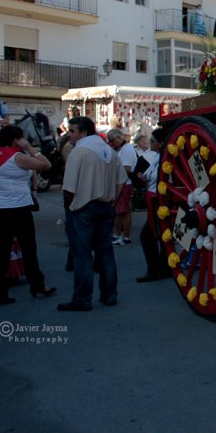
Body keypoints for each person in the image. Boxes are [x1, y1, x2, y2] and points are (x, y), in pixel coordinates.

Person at [58, 116, 126, 311]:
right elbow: (121, 180)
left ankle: (82, 299)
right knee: (105, 252)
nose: (68, 134)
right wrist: (113, 200)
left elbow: (68, 188)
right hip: (105, 206)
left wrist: (70, 209)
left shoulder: (79, 152)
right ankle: (109, 295)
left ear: (83, 133)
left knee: (83, 255)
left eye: (72, 131)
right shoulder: (110, 151)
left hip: (83, 208)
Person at [0, 125, 54, 306]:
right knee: (28, 248)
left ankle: (0, 293)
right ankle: (37, 284)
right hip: (18, 207)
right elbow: (46, 164)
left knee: (2, 250)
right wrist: (30, 148)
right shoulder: (18, 157)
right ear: (16, 140)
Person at [137, 128, 170, 282]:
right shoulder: (158, 157)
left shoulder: (166, 159)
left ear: (161, 143)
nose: (150, 143)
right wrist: (144, 178)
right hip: (154, 199)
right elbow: (151, 175)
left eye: (153, 141)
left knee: (148, 236)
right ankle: (164, 267)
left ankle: (155, 269)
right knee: (159, 235)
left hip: (159, 201)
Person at [107, 129, 136, 246]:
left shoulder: (126, 149)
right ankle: (120, 235)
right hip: (123, 183)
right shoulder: (123, 149)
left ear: (119, 138)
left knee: (122, 212)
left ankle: (123, 236)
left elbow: (127, 168)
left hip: (124, 184)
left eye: (112, 140)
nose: (111, 143)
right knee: (121, 211)